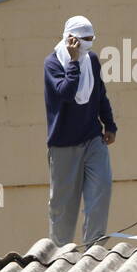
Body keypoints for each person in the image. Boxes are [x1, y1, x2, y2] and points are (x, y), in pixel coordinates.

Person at [44, 15, 117, 246]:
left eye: (90, 39)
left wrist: (109, 124)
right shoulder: (53, 64)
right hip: (64, 145)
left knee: (101, 191)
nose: (88, 44)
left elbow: (99, 93)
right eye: (83, 39)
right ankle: (60, 253)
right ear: (70, 39)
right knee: (64, 206)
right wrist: (73, 63)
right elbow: (65, 93)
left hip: (92, 138)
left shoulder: (91, 60)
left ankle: (94, 249)